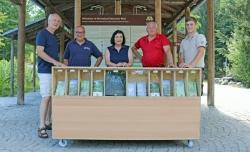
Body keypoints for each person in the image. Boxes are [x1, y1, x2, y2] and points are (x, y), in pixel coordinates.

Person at [36, 13, 65, 138]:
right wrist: (55, 62)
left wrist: (59, 64)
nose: (56, 22)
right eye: (54, 20)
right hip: (45, 70)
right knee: (46, 97)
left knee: (52, 97)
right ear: (48, 21)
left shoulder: (54, 37)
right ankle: (41, 126)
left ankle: (48, 122)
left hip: (53, 70)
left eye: (58, 21)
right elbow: (40, 52)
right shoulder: (42, 34)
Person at [178, 16, 207, 95]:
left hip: (197, 69)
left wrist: (191, 65)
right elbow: (181, 55)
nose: (189, 26)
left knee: (196, 95)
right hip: (186, 70)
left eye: (191, 24)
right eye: (187, 25)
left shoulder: (200, 37)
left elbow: (201, 51)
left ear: (195, 25)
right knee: (185, 93)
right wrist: (181, 64)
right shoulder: (183, 41)